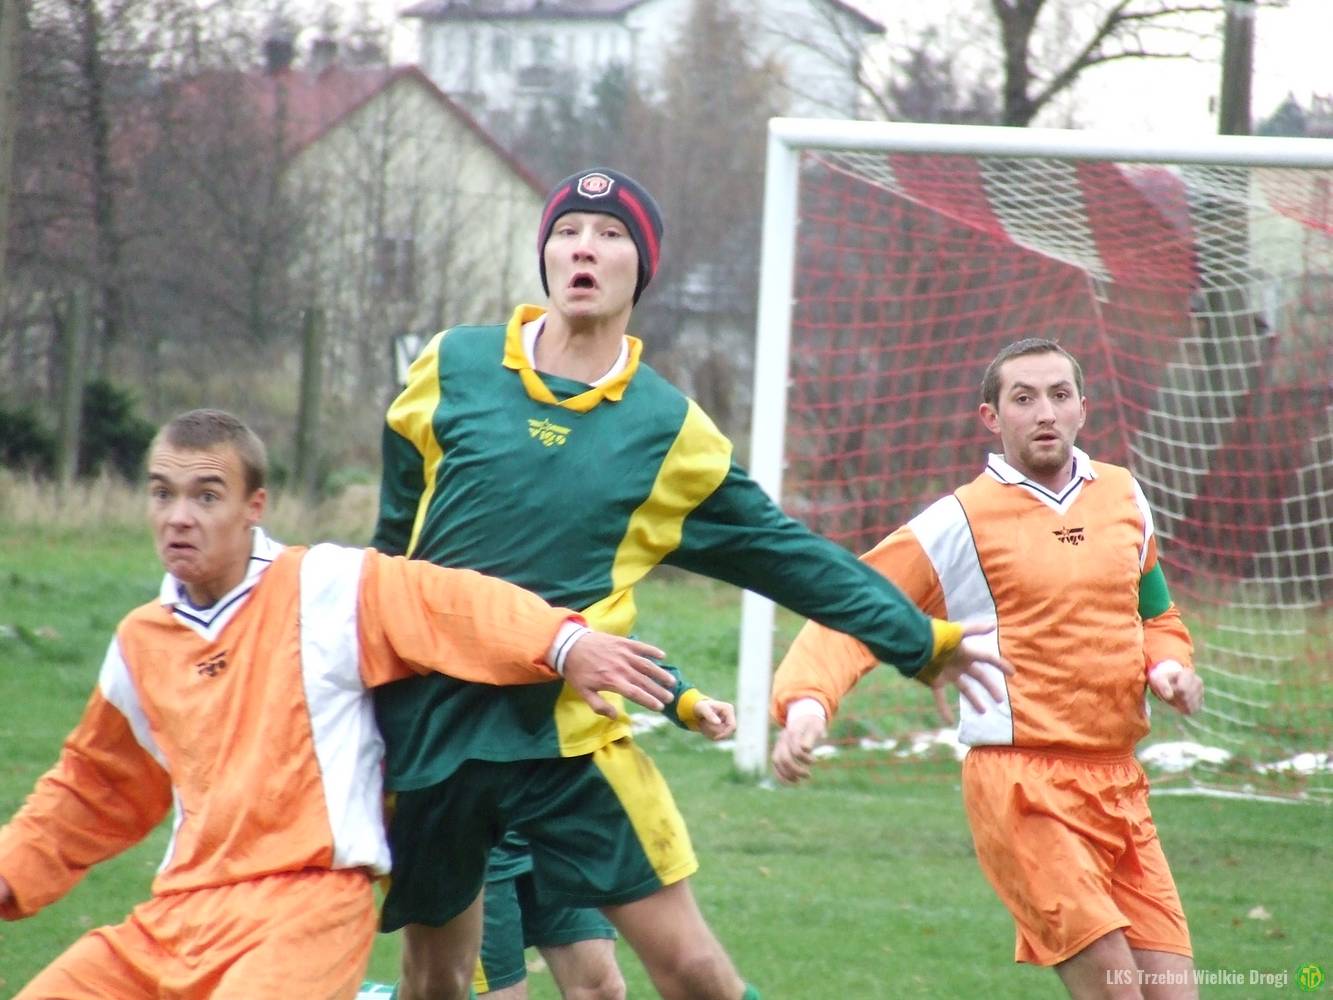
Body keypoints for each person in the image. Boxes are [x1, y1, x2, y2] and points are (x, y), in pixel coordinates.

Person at [371, 166, 1012, 1000]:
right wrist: (364, 679)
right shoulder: (451, 365)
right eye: (567, 232)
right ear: (545, 255)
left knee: (694, 971)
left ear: (641, 268)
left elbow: (784, 553)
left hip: (566, 744)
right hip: (432, 734)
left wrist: (916, 640)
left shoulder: (668, 430)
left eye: (609, 235)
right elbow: (390, 549)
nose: (584, 248)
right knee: (436, 982)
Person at [0, 408, 679, 1000]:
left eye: (206, 496)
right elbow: (94, 787)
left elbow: (450, 605)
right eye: (162, 493)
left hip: (307, 907)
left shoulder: (324, 586)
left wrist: (563, 644)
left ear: (254, 506)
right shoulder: (139, 642)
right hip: (177, 916)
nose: (179, 516)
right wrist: (10, 872)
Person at [770, 339, 1205, 1000]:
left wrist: (1168, 665)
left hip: (1119, 784)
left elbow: (1155, 614)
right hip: (1022, 787)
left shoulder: (1123, 495)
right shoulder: (959, 521)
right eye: (1023, 398)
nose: (1044, 412)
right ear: (991, 418)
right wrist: (807, 701)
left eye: (1059, 395)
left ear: (1082, 408)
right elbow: (852, 606)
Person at [472, 692, 735, 1000]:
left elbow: (607, 660)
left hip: (563, 798)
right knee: (498, 993)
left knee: (601, 989)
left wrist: (683, 698)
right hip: (475, 810)